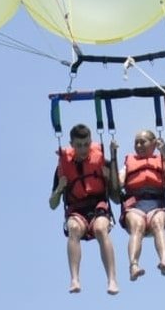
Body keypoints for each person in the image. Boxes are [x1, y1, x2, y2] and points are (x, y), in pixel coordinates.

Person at [49, 123, 120, 295]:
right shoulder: (62, 167)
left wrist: (110, 177)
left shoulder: (102, 161)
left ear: (91, 142)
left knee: (101, 229)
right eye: (79, 145)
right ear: (71, 144)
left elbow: (117, 199)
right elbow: (52, 204)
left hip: (98, 206)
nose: (83, 149)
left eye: (87, 144)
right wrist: (60, 188)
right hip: (76, 209)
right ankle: (74, 279)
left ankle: (112, 279)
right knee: (73, 229)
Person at [113, 129, 165, 281]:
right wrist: (113, 156)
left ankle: (164, 260)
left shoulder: (162, 160)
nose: (139, 145)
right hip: (135, 205)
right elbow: (118, 183)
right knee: (137, 226)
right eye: (136, 143)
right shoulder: (128, 164)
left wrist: (164, 151)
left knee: (158, 223)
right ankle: (133, 265)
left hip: (156, 203)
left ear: (154, 144)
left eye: (143, 142)